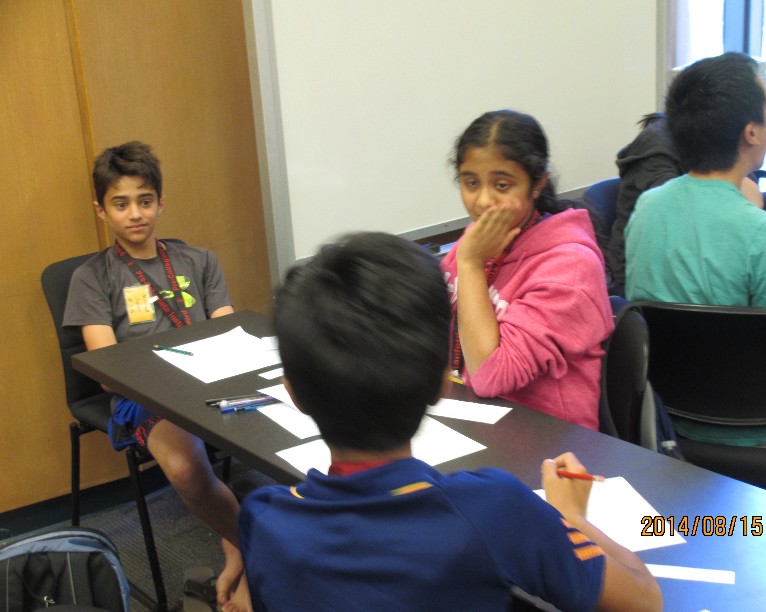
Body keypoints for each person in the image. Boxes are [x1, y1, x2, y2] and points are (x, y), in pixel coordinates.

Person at [239, 232, 661, 611]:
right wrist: (571, 517)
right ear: (444, 381)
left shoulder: (262, 518)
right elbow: (644, 601)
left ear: (292, 393)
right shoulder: (494, 508)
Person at [63, 141, 251, 611]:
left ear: (161, 202)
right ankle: (249, 550)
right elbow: (110, 374)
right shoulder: (93, 277)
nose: (135, 214)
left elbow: (228, 334)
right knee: (186, 468)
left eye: (145, 201)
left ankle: (268, 541)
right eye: (120, 203)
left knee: (295, 431)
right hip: (146, 396)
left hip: (214, 380)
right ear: (101, 210)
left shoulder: (199, 261)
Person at [625, 52, 766, 447]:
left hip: (668, 410)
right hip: (763, 422)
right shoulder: (763, 232)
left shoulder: (647, 207)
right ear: (752, 132)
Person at [440, 110, 613, 431]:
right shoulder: (478, 240)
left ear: (537, 184)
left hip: (547, 440)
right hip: (471, 419)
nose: (483, 201)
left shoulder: (572, 267)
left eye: (502, 185)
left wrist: (472, 264)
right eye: (471, 183)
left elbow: (491, 377)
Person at [606, 112, 764, 296]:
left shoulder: (717, 138)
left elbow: (751, 198)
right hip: (647, 275)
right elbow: (676, 217)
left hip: (696, 261)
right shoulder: (657, 143)